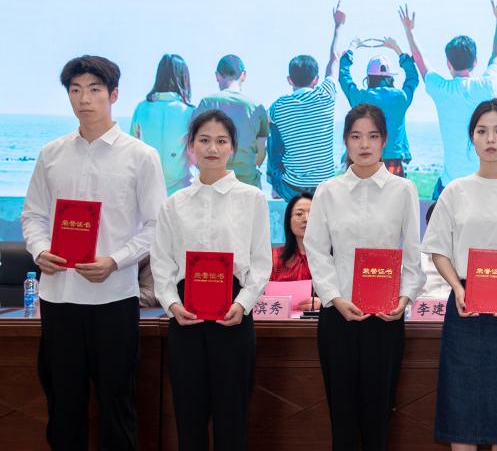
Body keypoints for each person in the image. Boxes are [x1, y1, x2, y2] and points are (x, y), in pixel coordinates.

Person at [21, 55, 165, 451]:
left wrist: (115, 261)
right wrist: (40, 250)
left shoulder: (141, 156)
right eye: (75, 90)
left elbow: (157, 226)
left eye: (94, 89)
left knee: (117, 403)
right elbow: (33, 215)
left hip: (113, 298)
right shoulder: (51, 154)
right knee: (63, 404)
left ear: (114, 95)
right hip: (59, 297)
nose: (84, 99)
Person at [421, 99, 497, 450]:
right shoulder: (455, 190)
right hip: (464, 307)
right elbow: (438, 249)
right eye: (482, 131)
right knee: (460, 407)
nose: (491, 139)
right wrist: (456, 287)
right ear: (472, 138)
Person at [304, 103, 425, 451]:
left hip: (384, 318)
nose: (364, 144)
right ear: (345, 141)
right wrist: (334, 297)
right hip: (338, 315)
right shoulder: (328, 190)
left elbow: (412, 253)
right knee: (342, 418)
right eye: (356, 136)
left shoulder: (403, 190)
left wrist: (404, 299)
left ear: (384, 140)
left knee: (378, 418)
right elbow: (316, 250)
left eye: (372, 136)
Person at [151, 109, 271, 450]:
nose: (212, 148)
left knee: (231, 416)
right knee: (189, 415)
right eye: (204, 140)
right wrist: (172, 304)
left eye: (221, 141)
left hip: (233, 313)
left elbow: (261, 263)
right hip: (185, 315)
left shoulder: (252, 199)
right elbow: (162, 264)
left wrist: (242, 304)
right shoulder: (174, 204)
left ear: (232, 147)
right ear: (191, 147)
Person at [400, 2, 497, 198]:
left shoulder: (442, 89)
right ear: (475, 62)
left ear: (448, 64)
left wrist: (409, 32)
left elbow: (420, 60)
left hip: (450, 187)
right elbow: (496, 55)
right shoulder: (486, 86)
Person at [266, 4, 346, 200]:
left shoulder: (279, 106)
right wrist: (338, 26)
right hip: (324, 185)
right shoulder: (327, 95)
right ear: (316, 80)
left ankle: (275, 190)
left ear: (289, 80)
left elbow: (265, 126)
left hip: (291, 187)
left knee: (272, 130)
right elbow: (334, 59)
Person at [338, 28, 420, 176]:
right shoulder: (400, 97)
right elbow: (413, 77)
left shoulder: (361, 97)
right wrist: (397, 49)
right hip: (393, 161)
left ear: (369, 77)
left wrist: (352, 48)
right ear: (390, 77)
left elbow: (344, 77)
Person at [194, 54, 269, 189]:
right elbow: (261, 152)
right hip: (247, 182)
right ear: (244, 75)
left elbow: (193, 146)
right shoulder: (257, 107)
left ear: (217, 76)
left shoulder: (206, 103)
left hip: (213, 182)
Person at [130, 53, 195, 194]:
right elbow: (195, 154)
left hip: (147, 188)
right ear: (183, 78)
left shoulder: (141, 108)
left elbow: (131, 150)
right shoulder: (190, 112)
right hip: (182, 190)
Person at [271, 193, 314, 281]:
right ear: (289, 222)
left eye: (312, 214)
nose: (306, 219)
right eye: (299, 214)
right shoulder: (273, 257)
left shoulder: (333, 259)